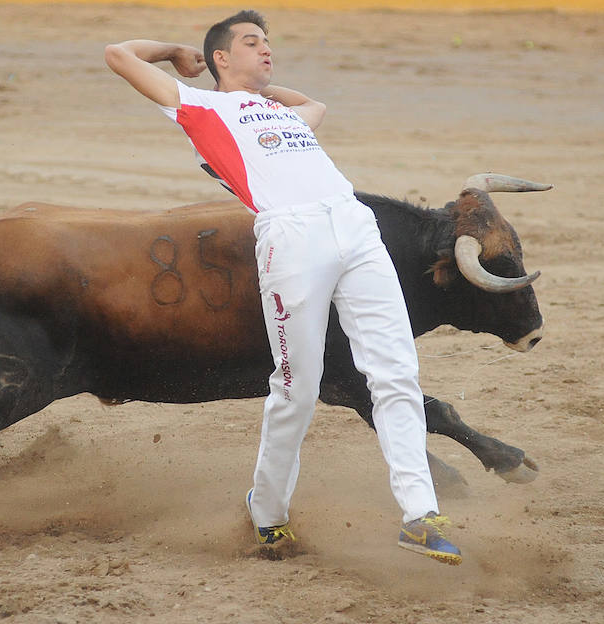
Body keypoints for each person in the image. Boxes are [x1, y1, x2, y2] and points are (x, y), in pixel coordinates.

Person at [105, 9, 461, 565]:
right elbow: (117, 55)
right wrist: (178, 51)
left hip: (354, 223)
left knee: (396, 373)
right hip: (290, 237)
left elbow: (315, 106)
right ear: (221, 57)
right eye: (252, 43)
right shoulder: (199, 106)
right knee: (299, 386)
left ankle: (419, 514)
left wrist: (259, 84)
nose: (267, 50)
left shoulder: (281, 112)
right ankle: (267, 511)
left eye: (268, 43)